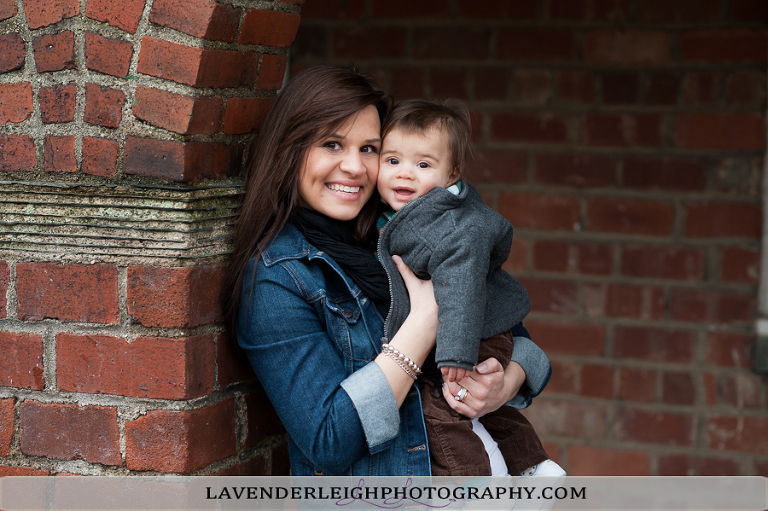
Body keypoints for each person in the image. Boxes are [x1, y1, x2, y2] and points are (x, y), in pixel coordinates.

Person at [222, 65, 552, 477]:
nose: (356, 167)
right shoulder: (277, 277)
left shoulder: (402, 229)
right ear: (291, 150)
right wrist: (424, 323)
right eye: (332, 144)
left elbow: (519, 340)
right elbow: (329, 438)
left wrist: (504, 385)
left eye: (369, 148)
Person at [376, 98, 564, 477]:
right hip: (481, 332)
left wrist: (455, 358)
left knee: (440, 410)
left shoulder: (451, 228)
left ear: (452, 174)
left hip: (471, 338)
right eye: (392, 160)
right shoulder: (410, 214)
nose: (404, 175)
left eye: (423, 164)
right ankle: (534, 468)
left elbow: (460, 290)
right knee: (486, 412)